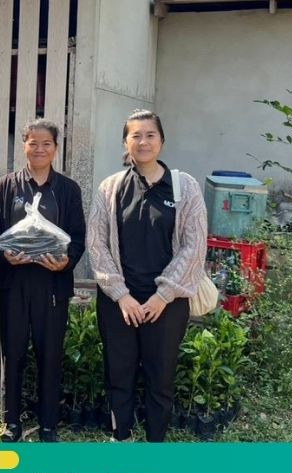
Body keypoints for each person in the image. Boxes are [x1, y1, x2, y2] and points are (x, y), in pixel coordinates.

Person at [87, 109, 207, 442]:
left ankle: (155, 444)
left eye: (150, 135)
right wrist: (121, 294)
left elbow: (194, 245)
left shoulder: (185, 188)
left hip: (167, 304)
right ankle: (121, 437)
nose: (143, 142)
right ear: (125, 143)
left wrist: (162, 295)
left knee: (160, 378)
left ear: (162, 140)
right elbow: (96, 243)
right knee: (118, 374)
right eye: (135, 135)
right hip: (118, 303)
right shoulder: (110, 189)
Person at [0, 119, 86, 443]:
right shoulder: (6, 186)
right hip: (15, 283)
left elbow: (78, 237)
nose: (39, 149)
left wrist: (66, 261)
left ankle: (48, 425)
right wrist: (4, 254)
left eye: (46, 144)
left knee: (50, 353)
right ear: (24, 146)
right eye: (33, 143)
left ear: (56, 148)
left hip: (52, 285)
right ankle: (11, 422)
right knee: (12, 353)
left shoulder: (68, 189)